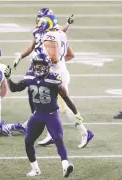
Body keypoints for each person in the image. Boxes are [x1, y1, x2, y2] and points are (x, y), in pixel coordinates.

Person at [4, 53, 84, 177]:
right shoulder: (30, 77)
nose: (38, 68)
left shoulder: (53, 79)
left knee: (58, 138)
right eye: (36, 65)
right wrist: (8, 78)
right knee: (28, 142)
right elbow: (15, 88)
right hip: (37, 115)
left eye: (41, 65)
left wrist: (76, 113)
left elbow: (66, 98)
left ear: (47, 66)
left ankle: (65, 165)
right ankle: (35, 169)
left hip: (51, 115)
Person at [36, 15, 94, 148]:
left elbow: (54, 58)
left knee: (64, 107)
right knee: (50, 105)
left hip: (55, 76)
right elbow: (70, 55)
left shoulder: (49, 36)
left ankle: (85, 133)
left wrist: (43, 63)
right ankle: (52, 134)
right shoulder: (61, 34)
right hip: (61, 71)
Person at [13, 8, 74, 115]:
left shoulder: (54, 34)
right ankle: (37, 116)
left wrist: (56, 63)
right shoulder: (44, 32)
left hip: (49, 68)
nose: (40, 22)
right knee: (33, 90)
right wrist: (20, 57)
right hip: (39, 66)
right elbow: (32, 46)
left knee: (57, 99)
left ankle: (75, 123)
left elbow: (66, 53)